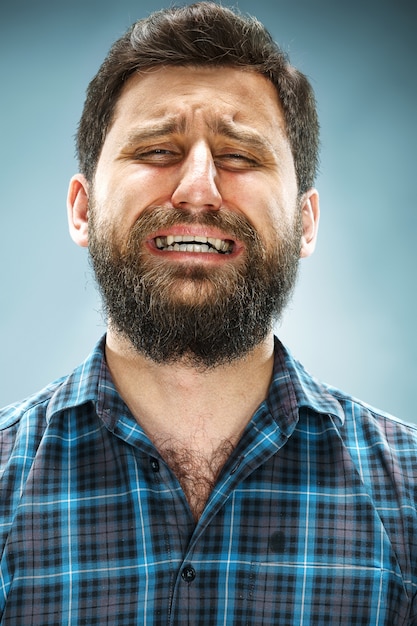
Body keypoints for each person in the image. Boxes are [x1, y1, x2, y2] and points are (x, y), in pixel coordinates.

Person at [1, 2, 416, 623]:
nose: (198, 187)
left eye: (241, 155)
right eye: (157, 149)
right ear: (82, 209)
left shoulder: (408, 498)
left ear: (306, 221)